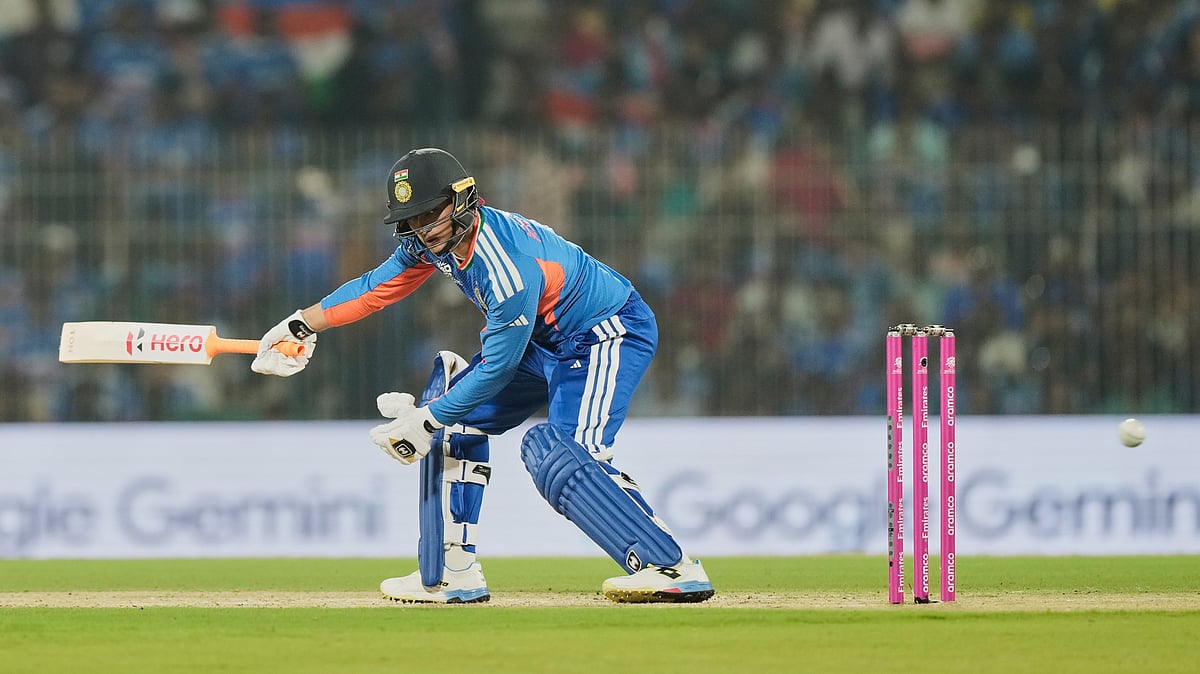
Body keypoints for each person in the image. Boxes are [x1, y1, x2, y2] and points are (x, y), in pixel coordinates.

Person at [250, 147, 714, 604]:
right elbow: (376, 288)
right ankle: (454, 573)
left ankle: (669, 567)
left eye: (429, 212)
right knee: (456, 423)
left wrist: (425, 420)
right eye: (409, 219)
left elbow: (498, 368)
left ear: (463, 199)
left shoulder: (504, 266)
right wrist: (300, 324)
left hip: (603, 335)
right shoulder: (433, 239)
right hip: (543, 341)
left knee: (566, 454)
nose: (419, 228)